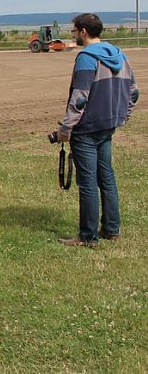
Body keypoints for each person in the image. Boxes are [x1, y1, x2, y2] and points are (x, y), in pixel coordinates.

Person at [56, 13, 138, 248]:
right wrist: (123, 116)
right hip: (108, 125)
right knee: (107, 177)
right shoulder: (120, 55)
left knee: (89, 182)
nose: (73, 35)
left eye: (74, 31)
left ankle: (87, 236)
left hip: (86, 129)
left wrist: (66, 127)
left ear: (83, 31)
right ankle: (111, 229)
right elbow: (133, 92)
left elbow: (80, 98)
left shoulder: (86, 58)